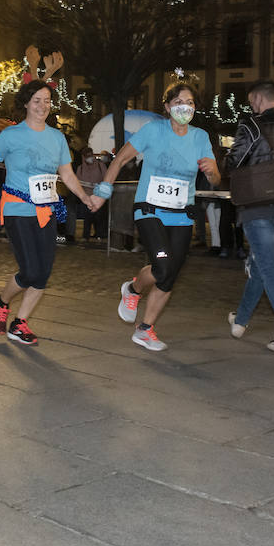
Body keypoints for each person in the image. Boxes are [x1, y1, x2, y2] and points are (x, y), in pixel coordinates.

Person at [90, 82, 220, 351]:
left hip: (182, 214)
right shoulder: (153, 130)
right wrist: (104, 189)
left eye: (190, 102)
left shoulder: (200, 137)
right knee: (161, 267)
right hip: (149, 209)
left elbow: (216, 177)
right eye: (179, 102)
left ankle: (145, 329)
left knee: (169, 275)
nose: (185, 107)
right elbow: (119, 159)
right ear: (167, 106)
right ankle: (133, 290)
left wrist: (211, 171)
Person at [0, 80, 95, 346]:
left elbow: (66, 173)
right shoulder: (11, 134)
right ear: (25, 103)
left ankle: (20, 324)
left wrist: (84, 197)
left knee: (43, 272)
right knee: (31, 270)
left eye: (47, 100)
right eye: (37, 100)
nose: (43, 106)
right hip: (17, 208)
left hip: (46, 210)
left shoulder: (56, 137)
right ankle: (1, 301)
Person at [220, 81, 274, 353]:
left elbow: (235, 161)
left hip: (258, 204)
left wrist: (224, 160)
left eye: (251, 101)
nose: (251, 106)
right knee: (261, 264)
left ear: (258, 99)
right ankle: (241, 320)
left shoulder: (251, 125)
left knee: (268, 268)